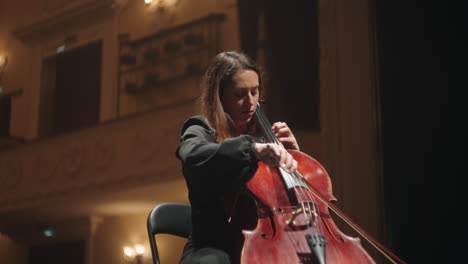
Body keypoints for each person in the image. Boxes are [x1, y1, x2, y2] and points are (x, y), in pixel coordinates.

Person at [176, 51, 300, 264]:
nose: (250, 102)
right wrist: (252, 148)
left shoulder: (261, 139)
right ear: (220, 95)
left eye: (255, 92)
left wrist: (295, 155)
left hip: (263, 241)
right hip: (212, 246)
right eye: (239, 94)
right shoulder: (201, 129)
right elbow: (191, 154)